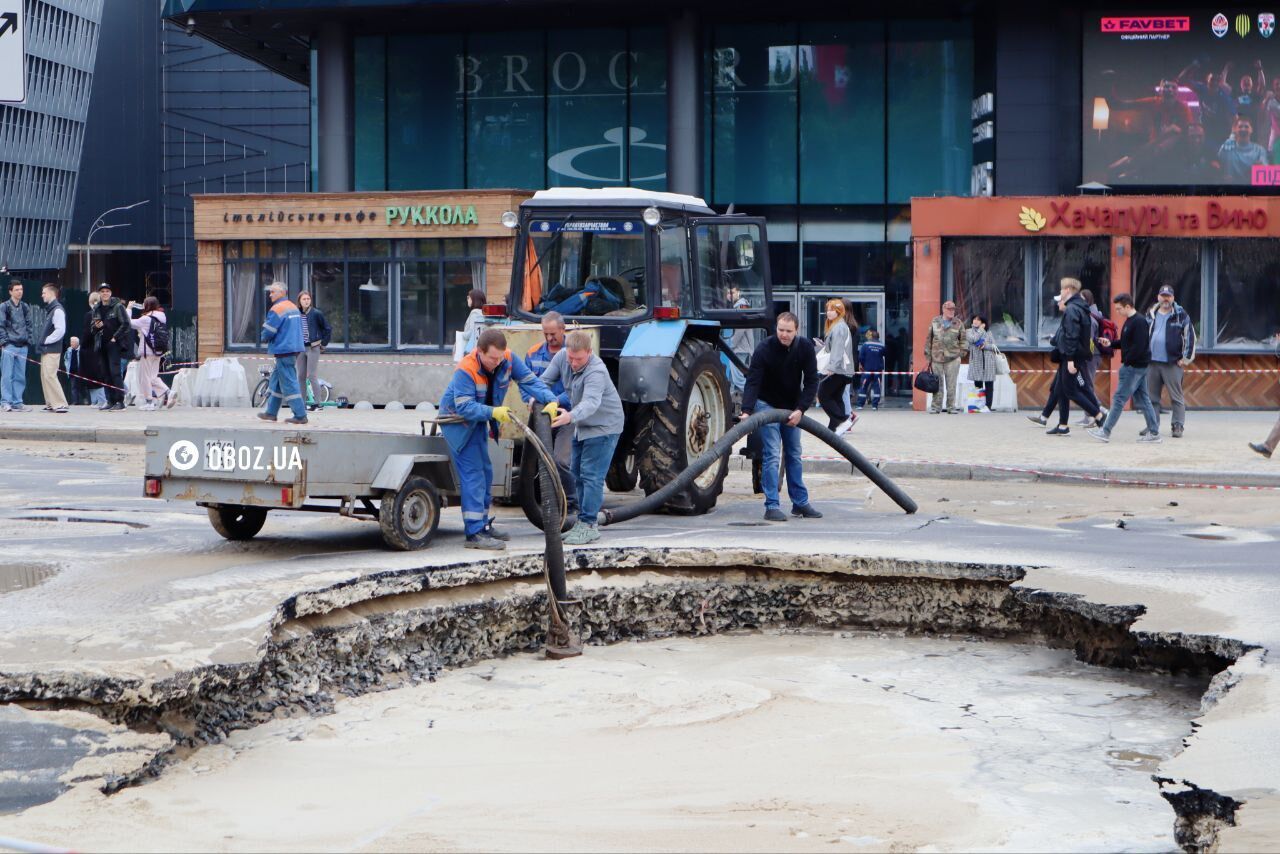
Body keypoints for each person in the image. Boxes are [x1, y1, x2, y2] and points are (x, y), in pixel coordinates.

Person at [439, 327, 558, 550]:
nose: (496, 362)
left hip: (478, 423)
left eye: (499, 357)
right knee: (474, 475)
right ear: (480, 352)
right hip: (459, 425)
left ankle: (483, 526)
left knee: (486, 473)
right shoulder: (466, 368)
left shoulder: (507, 359)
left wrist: (551, 400)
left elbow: (530, 381)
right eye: (492, 358)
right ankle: (474, 533)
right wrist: (493, 413)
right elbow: (464, 407)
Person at [739, 312, 822, 522]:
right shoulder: (764, 349)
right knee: (773, 454)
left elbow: (812, 381)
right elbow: (753, 381)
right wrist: (747, 410)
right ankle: (772, 505)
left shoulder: (804, 348)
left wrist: (801, 409)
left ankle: (800, 503)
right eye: (781, 330)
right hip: (767, 404)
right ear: (776, 328)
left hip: (793, 407)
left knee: (794, 453)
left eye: (788, 331)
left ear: (797, 331)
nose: (784, 335)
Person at [545, 331, 625, 545]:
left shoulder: (596, 371)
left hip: (604, 426)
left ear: (589, 352)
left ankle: (589, 524)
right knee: (577, 472)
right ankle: (582, 521)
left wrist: (569, 416)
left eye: (578, 359)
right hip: (582, 425)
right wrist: (538, 398)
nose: (573, 363)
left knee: (591, 475)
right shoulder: (562, 357)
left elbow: (590, 402)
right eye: (570, 357)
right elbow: (544, 381)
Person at [523, 311, 578, 520]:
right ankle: (548, 501)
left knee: (562, 460)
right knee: (541, 461)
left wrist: (555, 401)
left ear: (563, 330)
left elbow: (574, 387)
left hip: (565, 414)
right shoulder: (533, 353)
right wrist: (531, 399)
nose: (549, 338)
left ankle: (573, 503)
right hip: (542, 417)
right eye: (545, 333)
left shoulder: (572, 353)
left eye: (553, 334)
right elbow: (526, 382)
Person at [1087, 294, 1162, 444]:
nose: (1117, 312)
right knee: (1144, 400)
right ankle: (1154, 433)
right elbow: (1126, 342)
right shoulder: (1130, 321)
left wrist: (1127, 363)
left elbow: (1139, 347)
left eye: (1119, 309)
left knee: (1119, 399)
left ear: (1128, 306)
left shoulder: (1139, 322)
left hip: (1133, 367)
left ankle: (1105, 431)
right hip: (1137, 367)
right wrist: (1111, 343)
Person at [1045, 278, 1104, 436]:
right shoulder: (1081, 307)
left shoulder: (1072, 309)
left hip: (1071, 356)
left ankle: (1098, 415)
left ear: (1069, 289)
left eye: (1062, 289)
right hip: (1073, 354)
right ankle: (1063, 426)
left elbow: (1072, 335)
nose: (1061, 293)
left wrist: (1070, 359)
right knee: (1061, 390)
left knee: (1071, 390)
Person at [1146, 284, 1196, 439]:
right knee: (1152, 398)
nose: (1165, 299)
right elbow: (1143, 334)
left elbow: (1190, 338)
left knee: (1176, 397)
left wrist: (1185, 359)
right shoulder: (1150, 314)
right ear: (1158, 297)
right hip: (1152, 362)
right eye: (1163, 295)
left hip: (1172, 363)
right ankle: (1153, 426)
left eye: (1168, 296)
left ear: (1173, 298)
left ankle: (1178, 426)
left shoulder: (1181, 315)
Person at [256, 281, 308, 425]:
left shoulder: (277, 309)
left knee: (289, 383)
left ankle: (300, 415)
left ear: (281, 293)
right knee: (276, 382)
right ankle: (271, 413)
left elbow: (269, 331)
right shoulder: (293, 307)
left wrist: (262, 337)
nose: (270, 294)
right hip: (294, 349)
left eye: (273, 292)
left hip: (283, 350)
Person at [816, 298, 856, 434]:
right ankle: (835, 429)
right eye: (828, 310)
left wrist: (831, 368)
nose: (829, 312)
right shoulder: (840, 326)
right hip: (844, 370)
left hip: (839, 369)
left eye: (832, 310)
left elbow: (838, 349)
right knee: (836, 397)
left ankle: (843, 420)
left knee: (823, 395)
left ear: (839, 312)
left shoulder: (838, 327)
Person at [93, 283, 132, 412]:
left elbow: (126, 324)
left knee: (115, 372)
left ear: (110, 293)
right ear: (99, 293)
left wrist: (115, 337)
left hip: (114, 344)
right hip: (101, 344)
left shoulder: (117, 306)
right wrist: (96, 327)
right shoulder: (97, 308)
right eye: (102, 291)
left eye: (107, 291)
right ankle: (109, 400)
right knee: (105, 373)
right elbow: (92, 326)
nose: (105, 293)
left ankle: (120, 401)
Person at [128, 297, 170, 411]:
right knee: (152, 377)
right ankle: (167, 393)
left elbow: (129, 323)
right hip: (158, 351)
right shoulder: (162, 317)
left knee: (144, 378)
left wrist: (129, 309)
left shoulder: (146, 319)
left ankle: (150, 401)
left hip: (147, 352)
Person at [925, 300, 966, 414]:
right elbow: (929, 338)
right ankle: (936, 407)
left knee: (951, 384)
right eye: (949, 309)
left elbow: (963, 339)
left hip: (953, 358)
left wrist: (962, 353)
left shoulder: (958, 323)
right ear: (943, 310)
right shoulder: (935, 321)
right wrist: (928, 356)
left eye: (953, 309)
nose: (951, 311)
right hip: (937, 357)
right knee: (937, 383)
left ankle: (951, 407)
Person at [0, 279, 34, 412]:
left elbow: (29, 325)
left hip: (22, 346)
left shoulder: (25, 306)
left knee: (20, 375)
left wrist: (28, 340)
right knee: (7, 375)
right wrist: (4, 342)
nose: (20, 292)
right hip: (9, 345)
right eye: (17, 290)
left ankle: (17, 402)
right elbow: (1, 325)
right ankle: (5, 402)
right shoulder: (4, 306)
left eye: (21, 289)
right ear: (10, 291)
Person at [296, 291, 332, 411]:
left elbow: (327, 329)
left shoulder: (316, 313)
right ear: (299, 301)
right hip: (300, 348)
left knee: (311, 375)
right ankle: (302, 403)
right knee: (300, 376)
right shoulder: (296, 314)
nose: (306, 301)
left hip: (313, 347)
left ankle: (318, 403)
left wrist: (323, 344)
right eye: (304, 299)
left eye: (308, 299)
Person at [37, 283, 68, 414]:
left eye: (44, 292)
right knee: (45, 375)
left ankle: (60, 404)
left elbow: (60, 330)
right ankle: (51, 403)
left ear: (51, 293)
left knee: (50, 375)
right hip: (47, 349)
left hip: (52, 349)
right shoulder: (52, 309)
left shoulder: (57, 310)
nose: (42, 295)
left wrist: (46, 341)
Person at [1217, 116, 1268, 183]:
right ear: (1235, 129)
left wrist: (1260, 168)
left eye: (1246, 127)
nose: (1243, 129)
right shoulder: (1227, 147)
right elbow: (1217, 164)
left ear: (1251, 129)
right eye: (1240, 126)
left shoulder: (1260, 150)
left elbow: (1265, 173)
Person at [965, 314, 997, 413]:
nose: (975, 321)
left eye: (978, 320)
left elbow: (994, 346)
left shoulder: (989, 332)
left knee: (989, 384)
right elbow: (973, 339)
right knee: (978, 384)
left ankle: (988, 406)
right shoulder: (969, 331)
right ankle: (978, 404)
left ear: (983, 322)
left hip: (988, 361)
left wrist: (985, 346)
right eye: (974, 319)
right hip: (976, 360)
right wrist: (981, 330)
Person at [82, 292, 107, 408]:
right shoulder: (104, 314)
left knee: (93, 374)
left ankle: (99, 400)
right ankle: (96, 400)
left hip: (91, 348)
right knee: (97, 373)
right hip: (102, 347)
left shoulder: (89, 315)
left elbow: (87, 333)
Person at [857, 329, 885, 410]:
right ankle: (875, 406)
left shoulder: (866, 344)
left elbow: (861, 357)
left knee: (864, 386)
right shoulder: (882, 345)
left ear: (871, 336)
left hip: (867, 370)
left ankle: (860, 405)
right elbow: (885, 354)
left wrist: (862, 365)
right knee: (877, 387)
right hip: (877, 370)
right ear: (878, 337)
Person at [64, 336, 89, 405]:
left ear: (77, 343)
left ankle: (85, 399)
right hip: (72, 371)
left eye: (73, 342)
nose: (71, 343)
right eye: (71, 342)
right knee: (73, 387)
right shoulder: (69, 350)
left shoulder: (81, 350)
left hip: (80, 372)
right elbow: (66, 359)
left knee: (82, 386)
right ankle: (75, 401)